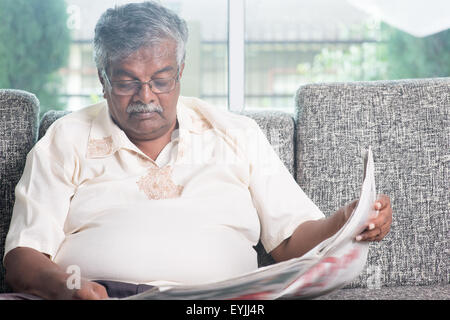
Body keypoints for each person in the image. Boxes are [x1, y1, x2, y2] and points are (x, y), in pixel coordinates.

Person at [2, 1, 392, 300]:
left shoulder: (237, 134)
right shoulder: (65, 138)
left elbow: (292, 241)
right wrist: (68, 288)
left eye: (160, 79)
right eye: (126, 82)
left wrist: (347, 219)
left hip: (225, 300)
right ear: (103, 80)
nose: (146, 97)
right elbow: (22, 257)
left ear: (181, 71)